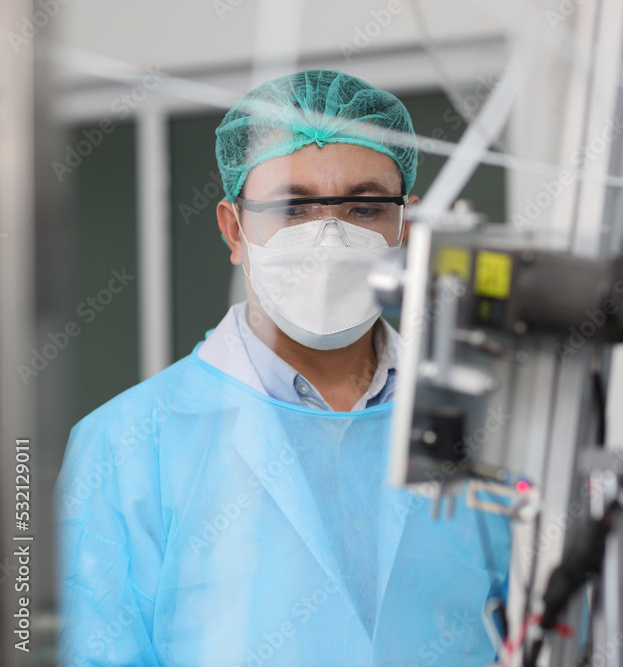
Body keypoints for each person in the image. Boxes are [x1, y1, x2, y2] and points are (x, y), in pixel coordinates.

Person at [56, 70, 510, 666]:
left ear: (408, 226)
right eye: (292, 208)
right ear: (233, 229)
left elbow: (550, 629)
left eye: (364, 206)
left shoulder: (492, 423)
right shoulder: (127, 443)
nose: (329, 238)